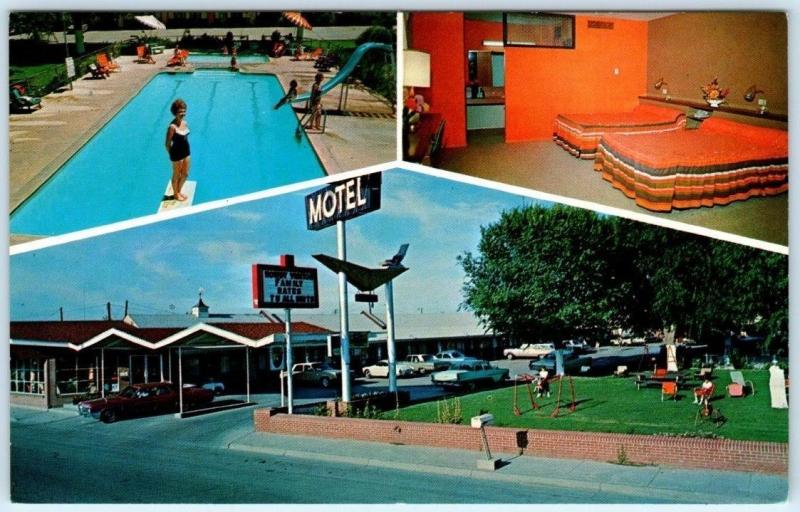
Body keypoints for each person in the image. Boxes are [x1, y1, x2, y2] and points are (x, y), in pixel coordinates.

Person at [165, 99, 191, 201]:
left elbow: (185, 138)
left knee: (185, 174)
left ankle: (179, 191)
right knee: (176, 175)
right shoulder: (172, 127)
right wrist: (172, 155)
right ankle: (176, 194)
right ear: (175, 113)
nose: (183, 113)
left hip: (186, 152)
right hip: (176, 154)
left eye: (184, 111)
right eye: (180, 112)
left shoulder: (185, 123)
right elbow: (167, 144)